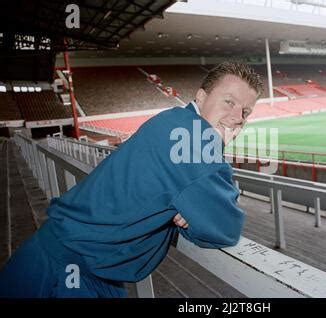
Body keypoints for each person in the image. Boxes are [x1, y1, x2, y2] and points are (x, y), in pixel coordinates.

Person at [0, 61, 263, 298]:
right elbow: (226, 227)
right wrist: (190, 214)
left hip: (57, 255)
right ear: (201, 96)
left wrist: (187, 209)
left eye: (246, 112)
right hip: (71, 274)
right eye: (229, 102)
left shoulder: (173, 120)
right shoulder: (193, 140)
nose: (238, 118)